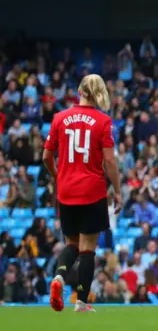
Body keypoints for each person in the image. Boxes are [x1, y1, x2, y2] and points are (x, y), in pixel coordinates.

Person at [42, 74, 122, 313]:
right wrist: (117, 191)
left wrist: (58, 177)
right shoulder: (103, 121)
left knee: (71, 244)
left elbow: (46, 157)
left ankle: (58, 277)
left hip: (66, 191)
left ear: (79, 90)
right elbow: (109, 161)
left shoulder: (59, 118)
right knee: (88, 248)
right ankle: (81, 302)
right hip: (93, 190)